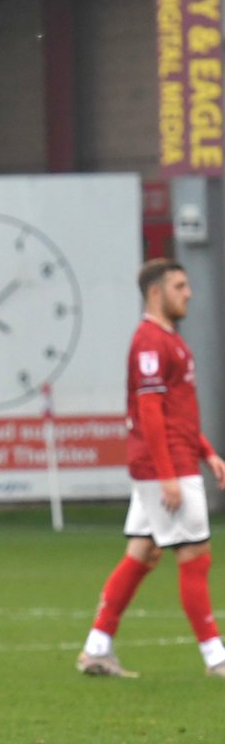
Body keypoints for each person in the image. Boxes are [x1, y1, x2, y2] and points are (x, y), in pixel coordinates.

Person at [78, 259, 225, 679]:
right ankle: (217, 658)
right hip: (166, 467)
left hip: (174, 460)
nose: (189, 293)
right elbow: (150, 412)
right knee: (195, 555)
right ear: (156, 292)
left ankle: (97, 648)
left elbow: (176, 413)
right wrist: (167, 474)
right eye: (180, 285)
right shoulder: (149, 342)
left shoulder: (169, 341)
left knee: (144, 551)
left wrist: (206, 450)